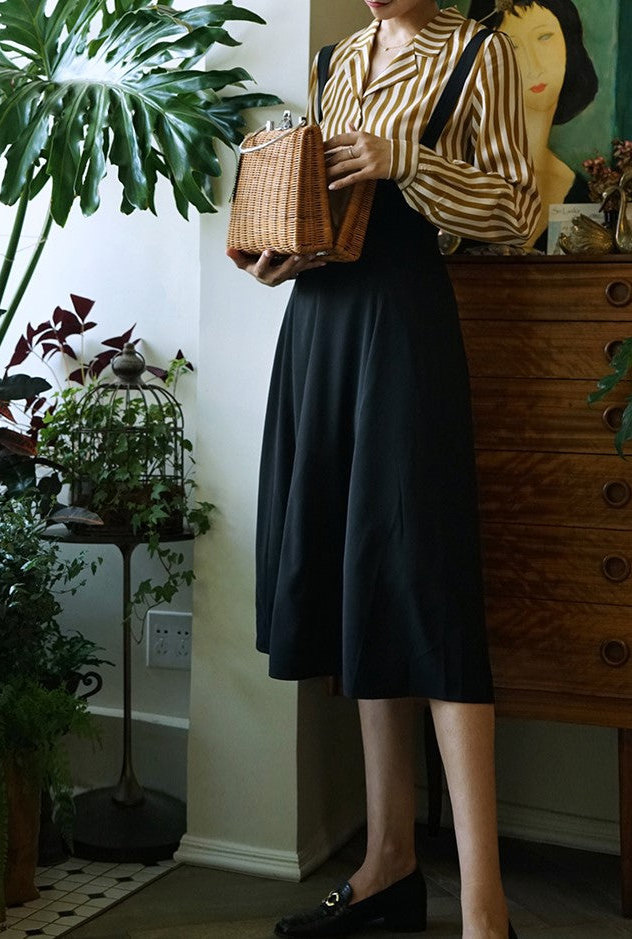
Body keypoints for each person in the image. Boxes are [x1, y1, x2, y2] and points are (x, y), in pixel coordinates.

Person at [228, 1, 539, 937]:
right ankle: (387, 863)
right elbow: (331, 203)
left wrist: (410, 160)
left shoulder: (480, 53)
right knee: (358, 579)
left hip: (405, 323)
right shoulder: (336, 58)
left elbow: (518, 210)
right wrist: (282, 251)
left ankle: (485, 909)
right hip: (318, 323)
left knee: (426, 583)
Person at [469, 0, 598, 248]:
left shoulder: (580, 193)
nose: (534, 66)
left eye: (544, 37)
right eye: (511, 45)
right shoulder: (462, 169)